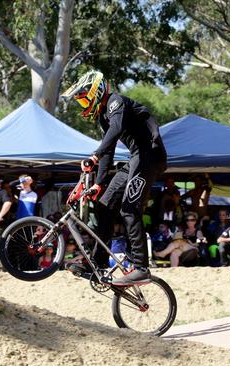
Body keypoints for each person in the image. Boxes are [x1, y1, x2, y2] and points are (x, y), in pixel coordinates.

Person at [61, 70, 167, 284]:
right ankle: (97, 263)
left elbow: (116, 130)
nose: (83, 106)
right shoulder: (103, 116)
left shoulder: (115, 102)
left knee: (129, 209)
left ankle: (140, 266)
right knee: (104, 204)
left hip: (149, 157)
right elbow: (108, 152)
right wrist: (99, 184)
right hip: (135, 159)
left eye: (84, 101)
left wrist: (94, 155)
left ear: (96, 92)